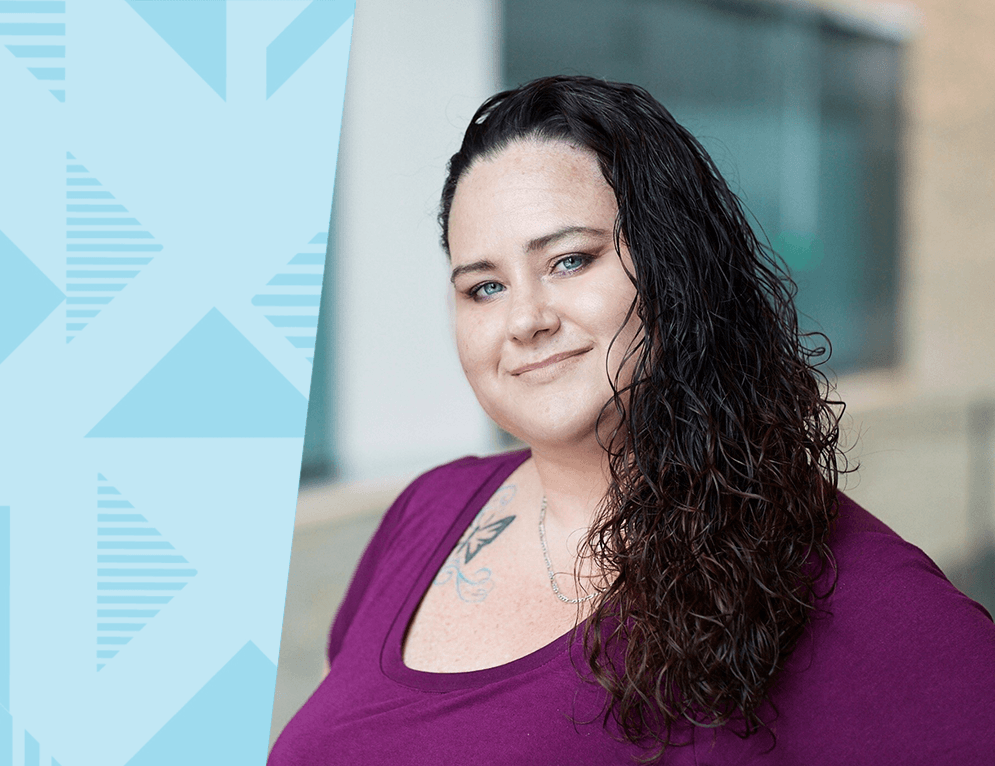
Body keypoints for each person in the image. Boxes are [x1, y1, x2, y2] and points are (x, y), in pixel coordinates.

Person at [268, 76, 995, 764]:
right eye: (484, 287)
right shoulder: (426, 511)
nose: (525, 319)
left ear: (676, 265)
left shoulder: (841, 584)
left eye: (569, 261)